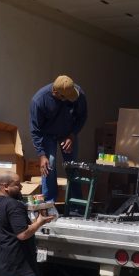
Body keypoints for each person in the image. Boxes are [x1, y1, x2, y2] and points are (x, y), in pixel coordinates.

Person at [29, 75, 88, 207]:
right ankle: (49, 204)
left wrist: (72, 135)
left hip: (68, 134)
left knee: (72, 166)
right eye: (67, 98)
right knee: (49, 164)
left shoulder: (77, 93)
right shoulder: (39, 100)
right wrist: (41, 154)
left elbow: (82, 116)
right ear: (56, 93)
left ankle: (77, 205)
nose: (71, 99)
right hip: (48, 135)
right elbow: (35, 130)